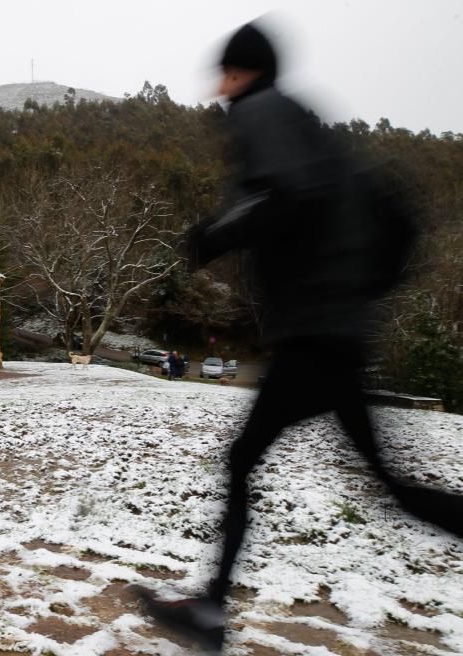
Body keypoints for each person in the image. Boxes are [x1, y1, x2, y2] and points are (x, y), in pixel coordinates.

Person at [138, 21, 463, 653]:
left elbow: (281, 197)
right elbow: (396, 216)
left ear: (243, 73)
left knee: (243, 459)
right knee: (387, 487)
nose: (219, 88)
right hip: (337, 333)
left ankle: (209, 612)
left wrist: (213, 234)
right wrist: (361, 291)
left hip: (314, 336)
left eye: (225, 74)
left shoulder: (263, 114)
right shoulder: (320, 134)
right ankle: (209, 608)